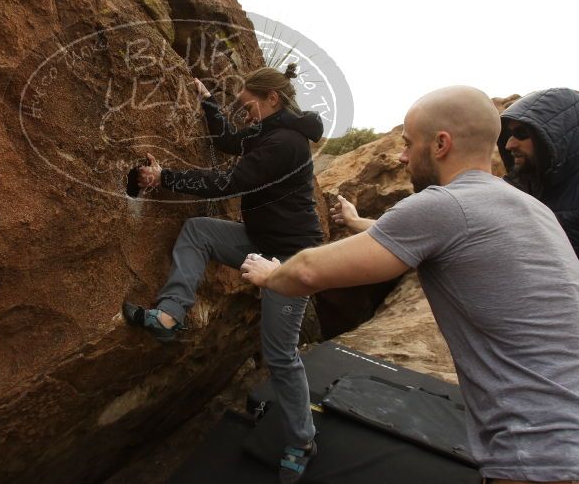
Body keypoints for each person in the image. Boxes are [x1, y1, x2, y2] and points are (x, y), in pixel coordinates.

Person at [242, 86, 579, 484]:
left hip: (540, 454)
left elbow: (307, 272)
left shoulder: (442, 205)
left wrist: (270, 274)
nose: (401, 157)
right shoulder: (529, 208)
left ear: (440, 144)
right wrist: (355, 222)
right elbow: (426, 241)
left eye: (407, 143)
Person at [123, 64, 324, 483]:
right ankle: (170, 314)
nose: (246, 112)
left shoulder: (285, 142)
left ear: (272, 99)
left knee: (281, 355)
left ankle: (302, 440)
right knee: (199, 231)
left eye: (250, 105)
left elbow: (229, 181)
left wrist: (166, 178)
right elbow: (231, 141)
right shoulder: (268, 131)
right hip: (258, 240)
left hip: (291, 258)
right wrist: (207, 101)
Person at [497, 88, 579, 258]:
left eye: (521, 134)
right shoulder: (513, 190)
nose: (509, 145)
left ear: (556, 136)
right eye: (509, 134)